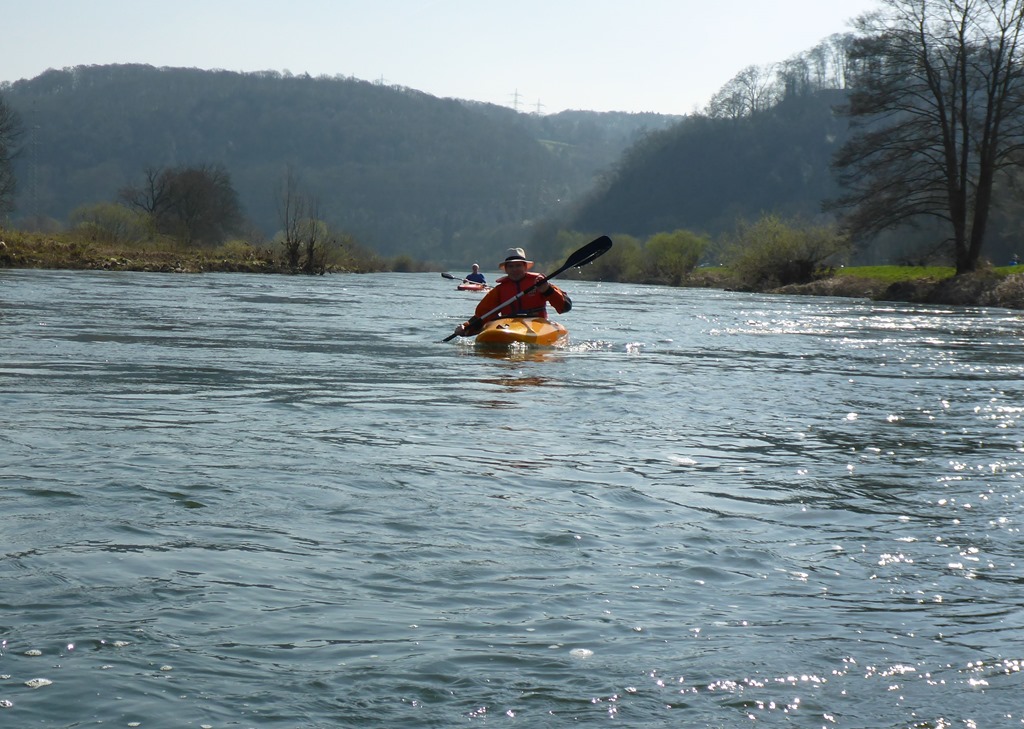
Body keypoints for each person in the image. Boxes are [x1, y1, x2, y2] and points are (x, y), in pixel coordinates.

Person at [452, 247, 572, 337]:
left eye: (518, 266)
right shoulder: (500, 290)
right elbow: (483, 315)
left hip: (537, 322)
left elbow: (565, 306)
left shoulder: (539, 283)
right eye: (510, 266)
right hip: (508, 324)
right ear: (506, 269)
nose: (514, 270)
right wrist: (465, 328)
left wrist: (547, 290)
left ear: (525, 267)